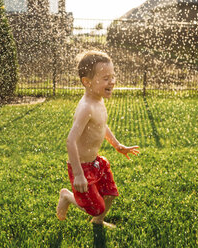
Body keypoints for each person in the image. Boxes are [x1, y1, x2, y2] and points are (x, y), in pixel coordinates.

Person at [56, 50, 139, 228]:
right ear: (87, 82)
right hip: (82, 167)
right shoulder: (86, 107)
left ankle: (98, 221)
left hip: (96, 162)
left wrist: (117, 145)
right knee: (93, 206)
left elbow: (101, 126)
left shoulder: (98, 100)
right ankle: (67, 196)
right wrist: (78, 174)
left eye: (113, 76)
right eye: (106, 78)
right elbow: (70, 141)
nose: (112, 82)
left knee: (110, 194)